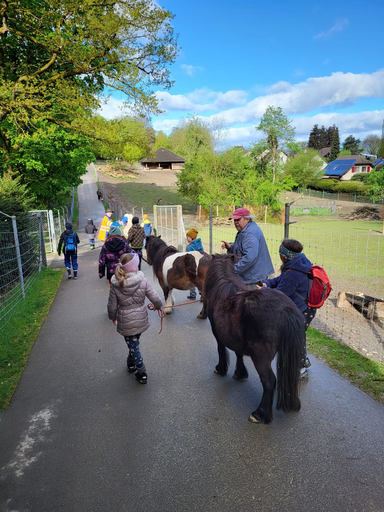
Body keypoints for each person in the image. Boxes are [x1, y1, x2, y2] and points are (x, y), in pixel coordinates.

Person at [262, 239, 315, 381]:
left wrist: (265, 290)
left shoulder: (293, 272)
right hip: (302, 308)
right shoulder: (295, 264)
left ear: (284, 255)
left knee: (294, 340)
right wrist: (268, 282)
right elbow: (281, 280)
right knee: (298, 337)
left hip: (301, 310)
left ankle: (301, 371)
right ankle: (304, 361)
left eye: (280, 253)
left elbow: (281, 293)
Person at [108, 253, 163, 384]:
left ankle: (142, 372)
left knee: (134, 346)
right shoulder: (142, 281)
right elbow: (154, 296)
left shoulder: (116, 285)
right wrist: (159, 306)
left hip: (126, 321)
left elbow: (112, 306)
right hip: (140, 319)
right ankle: (131, 364)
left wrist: (113, 317)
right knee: (134, 344)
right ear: (135, 267)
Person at [221, 207, 274, 289]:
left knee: (249, 301)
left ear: (247, 219)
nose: (236, 223)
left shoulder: (250, 234)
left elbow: (249, 258)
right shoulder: (246, 230)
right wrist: (231, 247)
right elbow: (243, 245)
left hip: (252, 279)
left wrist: (232, 270)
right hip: (251, 276)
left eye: (238, 220)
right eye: (234, 220)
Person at [185, 228, 204, 300]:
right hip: (200, 264)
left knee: (192, 279)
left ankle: (193, 294)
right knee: (199, 280)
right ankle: (202, 294)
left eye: (188, 237)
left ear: (192, 238)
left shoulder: (190, 247)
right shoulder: (199, 244)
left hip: (192, 265)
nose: (187, 238)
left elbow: (188, 256)